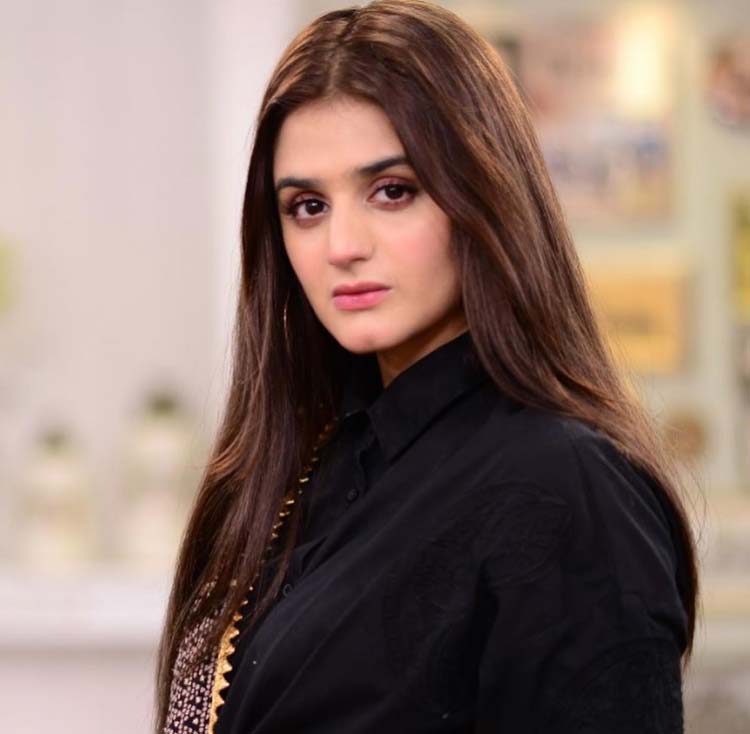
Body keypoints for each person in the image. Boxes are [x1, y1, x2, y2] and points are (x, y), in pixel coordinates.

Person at [155, 1, 699, 732]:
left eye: (393, 192)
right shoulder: (303, 464)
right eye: (308, 206)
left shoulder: (567, 487)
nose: (342, 245)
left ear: (484, 195)